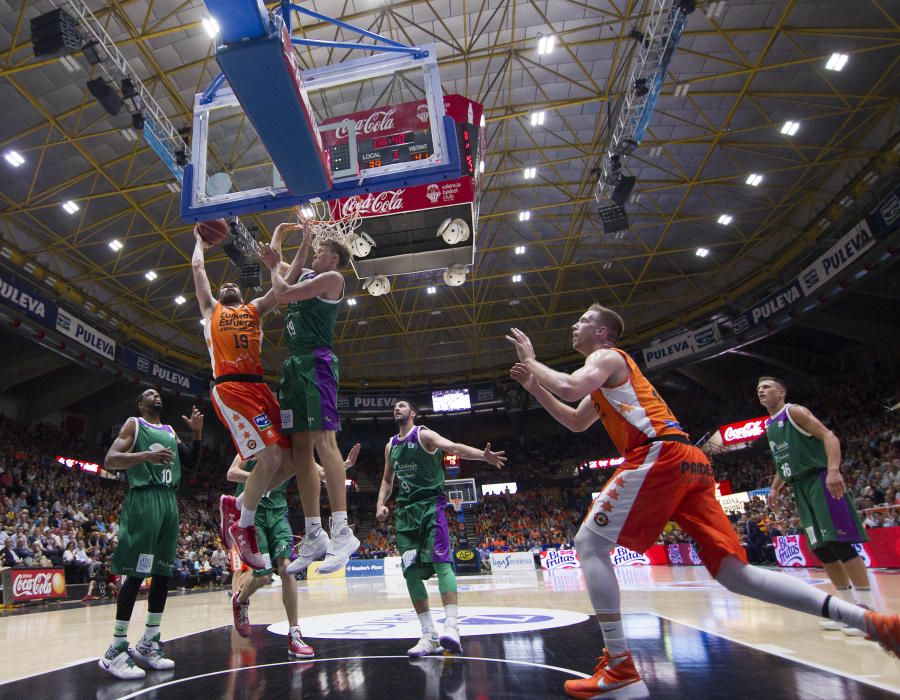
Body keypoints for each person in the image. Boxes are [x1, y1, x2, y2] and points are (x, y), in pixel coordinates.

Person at [506, 305, 900, 697]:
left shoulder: (605, 358)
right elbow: (575, 420)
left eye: (584, 321)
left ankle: (620, 666)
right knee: (735, 574)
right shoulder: (604, 382)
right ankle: (873, 623)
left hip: (659, 454)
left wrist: (532, 361)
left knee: (588, 545)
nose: (575, 325)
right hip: (690, 462)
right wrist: (535, 388)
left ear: (604, 333)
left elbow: (571, 386)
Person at [258, 226, 358, 575]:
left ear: (332, 258)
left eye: (318, 253)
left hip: (317, 363)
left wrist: (276, 267)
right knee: (299, 448)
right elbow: (276, 261)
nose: (314, 257)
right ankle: (314, 532)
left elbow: (282, 291)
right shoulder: (311, 272)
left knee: (324, 441)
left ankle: (342, 531)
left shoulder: (331, 278)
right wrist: (280, 237)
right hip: (293, 366)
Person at [192, 228, 291, 570]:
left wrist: (278, 258)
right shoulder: (211, 311)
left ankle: (240, 508)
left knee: (288, 458)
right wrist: (199, 243)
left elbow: (283, 289)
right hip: (232, 388)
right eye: (226, 287)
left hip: (260, 388)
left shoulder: (255, 310)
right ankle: (244, 523)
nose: (230, 285)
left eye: (234, 285)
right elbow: (198, 272)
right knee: (270, 457)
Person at [376, 399, 506, 657]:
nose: (396, 408)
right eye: (395, 406)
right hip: (405, 514)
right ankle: (428, 635)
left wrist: (483, 455)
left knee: (441, 563)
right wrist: (380, 502)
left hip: (430, 507)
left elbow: (453, 447)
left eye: (402, 406)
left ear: (412, 413)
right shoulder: (391, 445)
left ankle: (452, 627)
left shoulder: (424, 435)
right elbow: (387, 479)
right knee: (410, 571)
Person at [98, 389, 203, 680]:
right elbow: (110, 460)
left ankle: (148, 643)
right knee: (136, 573)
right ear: (139, 403)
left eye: (157, 393)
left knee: (162, 574)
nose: (155, 394)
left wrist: (197, 434)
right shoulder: (134, 424)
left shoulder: (170, 430)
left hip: (170, 502)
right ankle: (116, 649)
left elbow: (192, 463)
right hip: (144, 502)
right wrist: (146, 456)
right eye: (148, 393)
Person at [758, 376, 873, 635]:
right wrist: (775, 487)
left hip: (821, 480)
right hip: (800, 487)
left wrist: (833, 470)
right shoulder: (769, 425)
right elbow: (782, 463)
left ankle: (866, 612)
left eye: (766, 387)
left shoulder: (794, 412)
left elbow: (829, 436)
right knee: (824, 550)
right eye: (758, 389)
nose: (761, 391)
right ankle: (846, 611)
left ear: (781, 392)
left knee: (839, 544)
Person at [226, 442, 359, 657]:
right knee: (263, 575)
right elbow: (231, 473)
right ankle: (240, 601)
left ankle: (295, 634)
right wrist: (259, 479)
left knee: (287, 568)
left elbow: (323, 474)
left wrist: (343, 465)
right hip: (254, 513)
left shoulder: (292, 449)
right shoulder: (253, 443)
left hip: (278, 513)